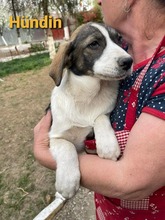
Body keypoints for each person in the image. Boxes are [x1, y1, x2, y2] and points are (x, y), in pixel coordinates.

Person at [33, 0, 165, 219]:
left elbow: (131, 181)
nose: (100, 1)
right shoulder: (123, 50)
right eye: (96, 44)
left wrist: (42, 152)